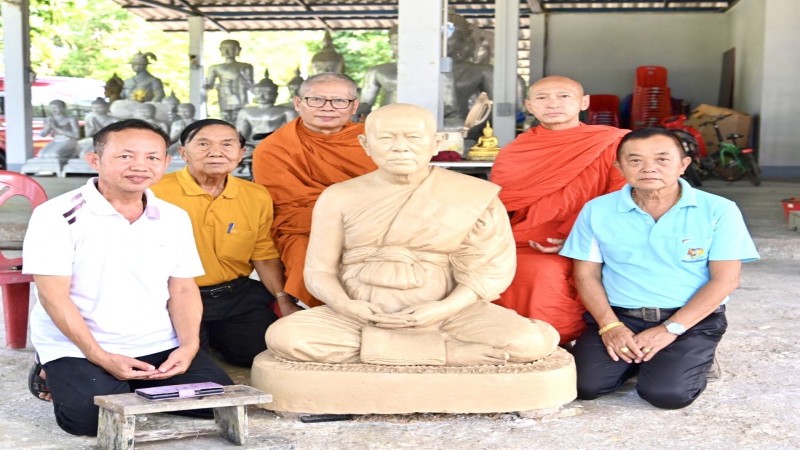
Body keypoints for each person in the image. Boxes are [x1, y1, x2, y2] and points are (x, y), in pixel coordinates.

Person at [266, 104, 558, 366]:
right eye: (386, 138)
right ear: (365, 145)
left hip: (449, 314)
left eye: (413, 138)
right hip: (360, 316)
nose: (400, 148)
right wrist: (347, 306)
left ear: (436, 143)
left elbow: (488, 272)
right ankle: (447, 354)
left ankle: (392, 351)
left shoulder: (473, 195)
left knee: (528, 343)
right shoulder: (338, 197)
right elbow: (319, 271)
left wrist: (444, 308)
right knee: (286, 337)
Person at [22, 119, 233, 436]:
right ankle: (51, 367)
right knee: (91, 421)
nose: (140, 166)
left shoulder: (173, 217)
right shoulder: (56, 214)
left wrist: (188, 347)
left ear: (165, 162)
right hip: (81, 346)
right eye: (125, 156)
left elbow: (183, 289)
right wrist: (100, 357)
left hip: (156, 342)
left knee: (219, 403)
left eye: (152, 157)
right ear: (95, 160)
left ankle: (124, 383)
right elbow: (53, 296)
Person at [560, 128, 759, 409]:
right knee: (583, 386)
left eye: (662, 159)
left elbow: (725, 281)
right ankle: (649, 358)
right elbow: (586, 274)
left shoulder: (719, 210)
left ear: (683, 165)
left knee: (666, 395)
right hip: (620, 318)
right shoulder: (597, 210)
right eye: (636, 160)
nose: (649, 168)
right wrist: (610, 326)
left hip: (690, 321)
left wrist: (670, 329)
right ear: (619, 167)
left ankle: (691, 356)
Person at [491, 75, 630, 345]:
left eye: (564, 96)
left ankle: (552, 341)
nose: (553, 103)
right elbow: (498, 207)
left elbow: (622, 200)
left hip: (591, 239)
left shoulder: (613, 143)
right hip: (522, 238)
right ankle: (509, 341)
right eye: (542, 98)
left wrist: (576, 241)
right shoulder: (515, 152)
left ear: (584, 103)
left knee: (544, 272)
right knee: (491, 266)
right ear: (529, 106)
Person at [152, 119, 301, 367]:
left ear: (241, 153)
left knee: (269, 354)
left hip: (233, 296)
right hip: (172, 297)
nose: (216, 152)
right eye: (203, 144)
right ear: (183, 152)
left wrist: (284, 299)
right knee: (184, 368)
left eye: (227, 144)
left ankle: (219, 340)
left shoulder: (255, 195)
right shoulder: (155, 192)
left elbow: (263, 253)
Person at [252, 73, 377, 308]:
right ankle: (322, 314)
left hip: (376, 222)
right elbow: (286, 207)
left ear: (354, 106)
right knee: (306, 256)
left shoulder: (374, 142)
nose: (327, 108)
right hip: (305, 227)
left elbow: (395, 190)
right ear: (298, 103)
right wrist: (344, 220)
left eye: (339, 101)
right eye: (316, 100)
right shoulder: (274, 149)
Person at [205, 40, 255, 123]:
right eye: (224, 48)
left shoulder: (245, 66)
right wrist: (205, 87)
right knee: (225, 117)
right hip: (224, 95)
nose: (226, 51)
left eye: (230, 48)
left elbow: (250, 85)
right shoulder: (215, 68)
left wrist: (240, 77)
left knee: (240, 117)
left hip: (240, 94)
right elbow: (209, 85)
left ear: (237, 50)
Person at [235, 77, 297, 143]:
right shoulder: (245, 112)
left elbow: (293, 134)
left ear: (275, 95)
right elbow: (241, 135)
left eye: (266, 92)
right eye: (258, 92)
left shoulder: (287, 112)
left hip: (276, 145)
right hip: (252, 145)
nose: (261, 95)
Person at [356, 26, 398, 118]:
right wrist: (361, 112)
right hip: (387, 117)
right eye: (397, 43)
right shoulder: (377, 71)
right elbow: (366, 102)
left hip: (423, 117)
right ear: (390, 43)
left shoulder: (430, 71)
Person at [36, 99, 80, 167]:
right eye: (52, 108)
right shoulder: (49, 119)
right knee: (41, 154)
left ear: (63, 108)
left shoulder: (70, 119)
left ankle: (71, 154)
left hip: (68, 140)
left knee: (53, 154)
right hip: (56, 140)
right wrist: (47, 128)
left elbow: (76, 135)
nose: (54, 110)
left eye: (56, 108)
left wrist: (57, 128)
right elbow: (42, 134)